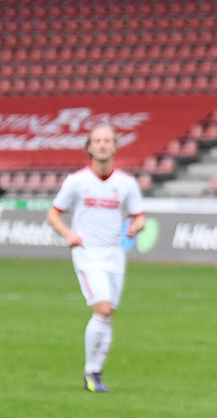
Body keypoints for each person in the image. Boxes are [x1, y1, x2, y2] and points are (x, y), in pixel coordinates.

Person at [46, 124, 146, 393]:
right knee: (102, 310)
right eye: (97, 141)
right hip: (88, 253)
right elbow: (54, 213)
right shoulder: (77, 181)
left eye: (107, 141)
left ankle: (95, 373)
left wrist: (136, 226)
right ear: (89, 147)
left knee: (108, 315)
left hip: (115, 254)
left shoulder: (125, 183)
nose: (102, 145)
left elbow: (139, 215)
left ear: (114, 146)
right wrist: (69, 234)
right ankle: (92, 372)